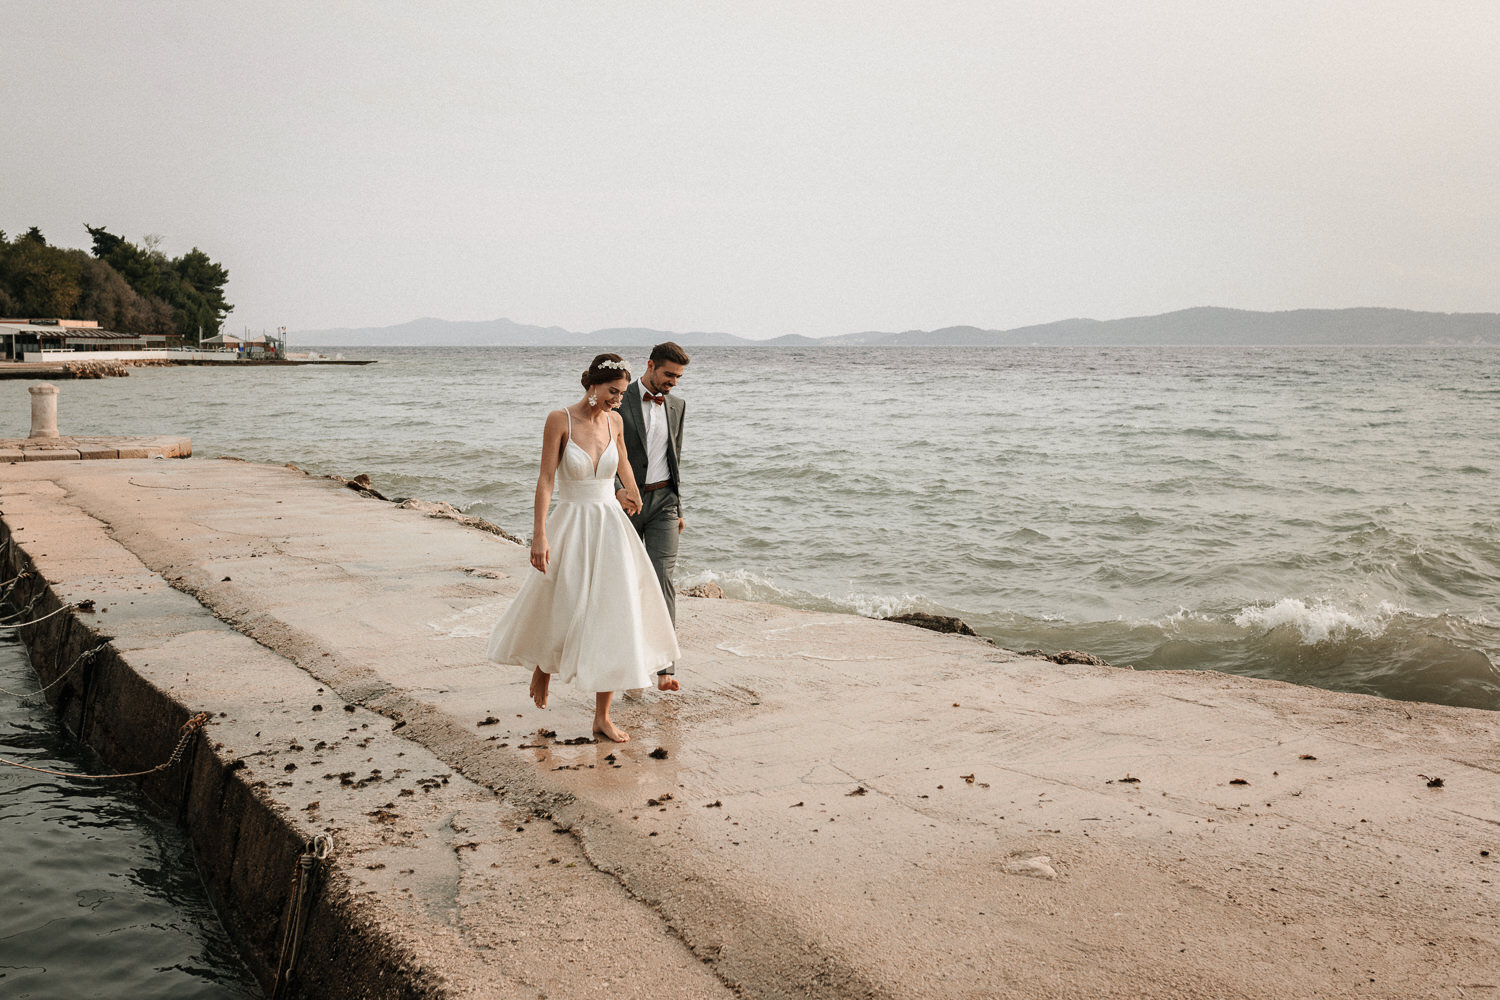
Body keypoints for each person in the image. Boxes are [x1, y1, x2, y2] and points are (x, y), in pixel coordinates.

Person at [486, 353, 680, 742]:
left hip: (609, 522)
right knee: (565, 598)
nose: (617, 400)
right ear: (593, 385)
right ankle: (544, 664)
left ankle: (602, 716)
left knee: (614, 611)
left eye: (623, 393)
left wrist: (631, 491)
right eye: (613, 392)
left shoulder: (616, 420)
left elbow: (623, 459)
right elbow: (545, 480)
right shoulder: (560, 419)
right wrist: (538, 535)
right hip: (571, 521)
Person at [614, 341, 690, 691]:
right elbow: (604, 449)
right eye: (668, 375)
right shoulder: (620, 400)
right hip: (625, 504)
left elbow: (676, 456)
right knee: (626, 584)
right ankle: (627, 663)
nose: (672, 382)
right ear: (650, 366)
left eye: (678, 377)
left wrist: (678, 507)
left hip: (664, 503)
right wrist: (617, 490)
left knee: (663, 580)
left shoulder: (677, 405)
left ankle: (665, 668)